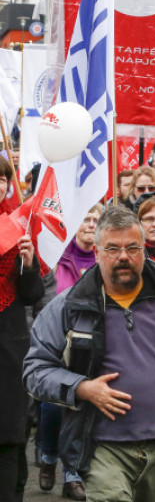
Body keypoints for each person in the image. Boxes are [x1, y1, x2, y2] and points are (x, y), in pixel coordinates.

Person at [23, 206, 155, 502]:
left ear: (144, 251)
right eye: (112, 248)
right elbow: (34, 370)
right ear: (96, 252)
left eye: (133, 247)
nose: (123, 256)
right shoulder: (68, 307)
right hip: (101, 447)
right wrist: (82, 388)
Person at [38, 204, 104, 499]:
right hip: (60, 344)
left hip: (93, 347)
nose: (90, 224)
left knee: (81, 409)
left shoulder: (105, 261)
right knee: (54, 405)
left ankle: (72, 474)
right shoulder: (58, 260)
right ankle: (48, 457)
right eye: (86, 218)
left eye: (96, 219)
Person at [0, 156, 44, 502]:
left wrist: (29, 263)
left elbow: (32, 295)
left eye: (2, 179)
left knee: (10, 433)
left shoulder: (17, 226)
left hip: (9, 348)